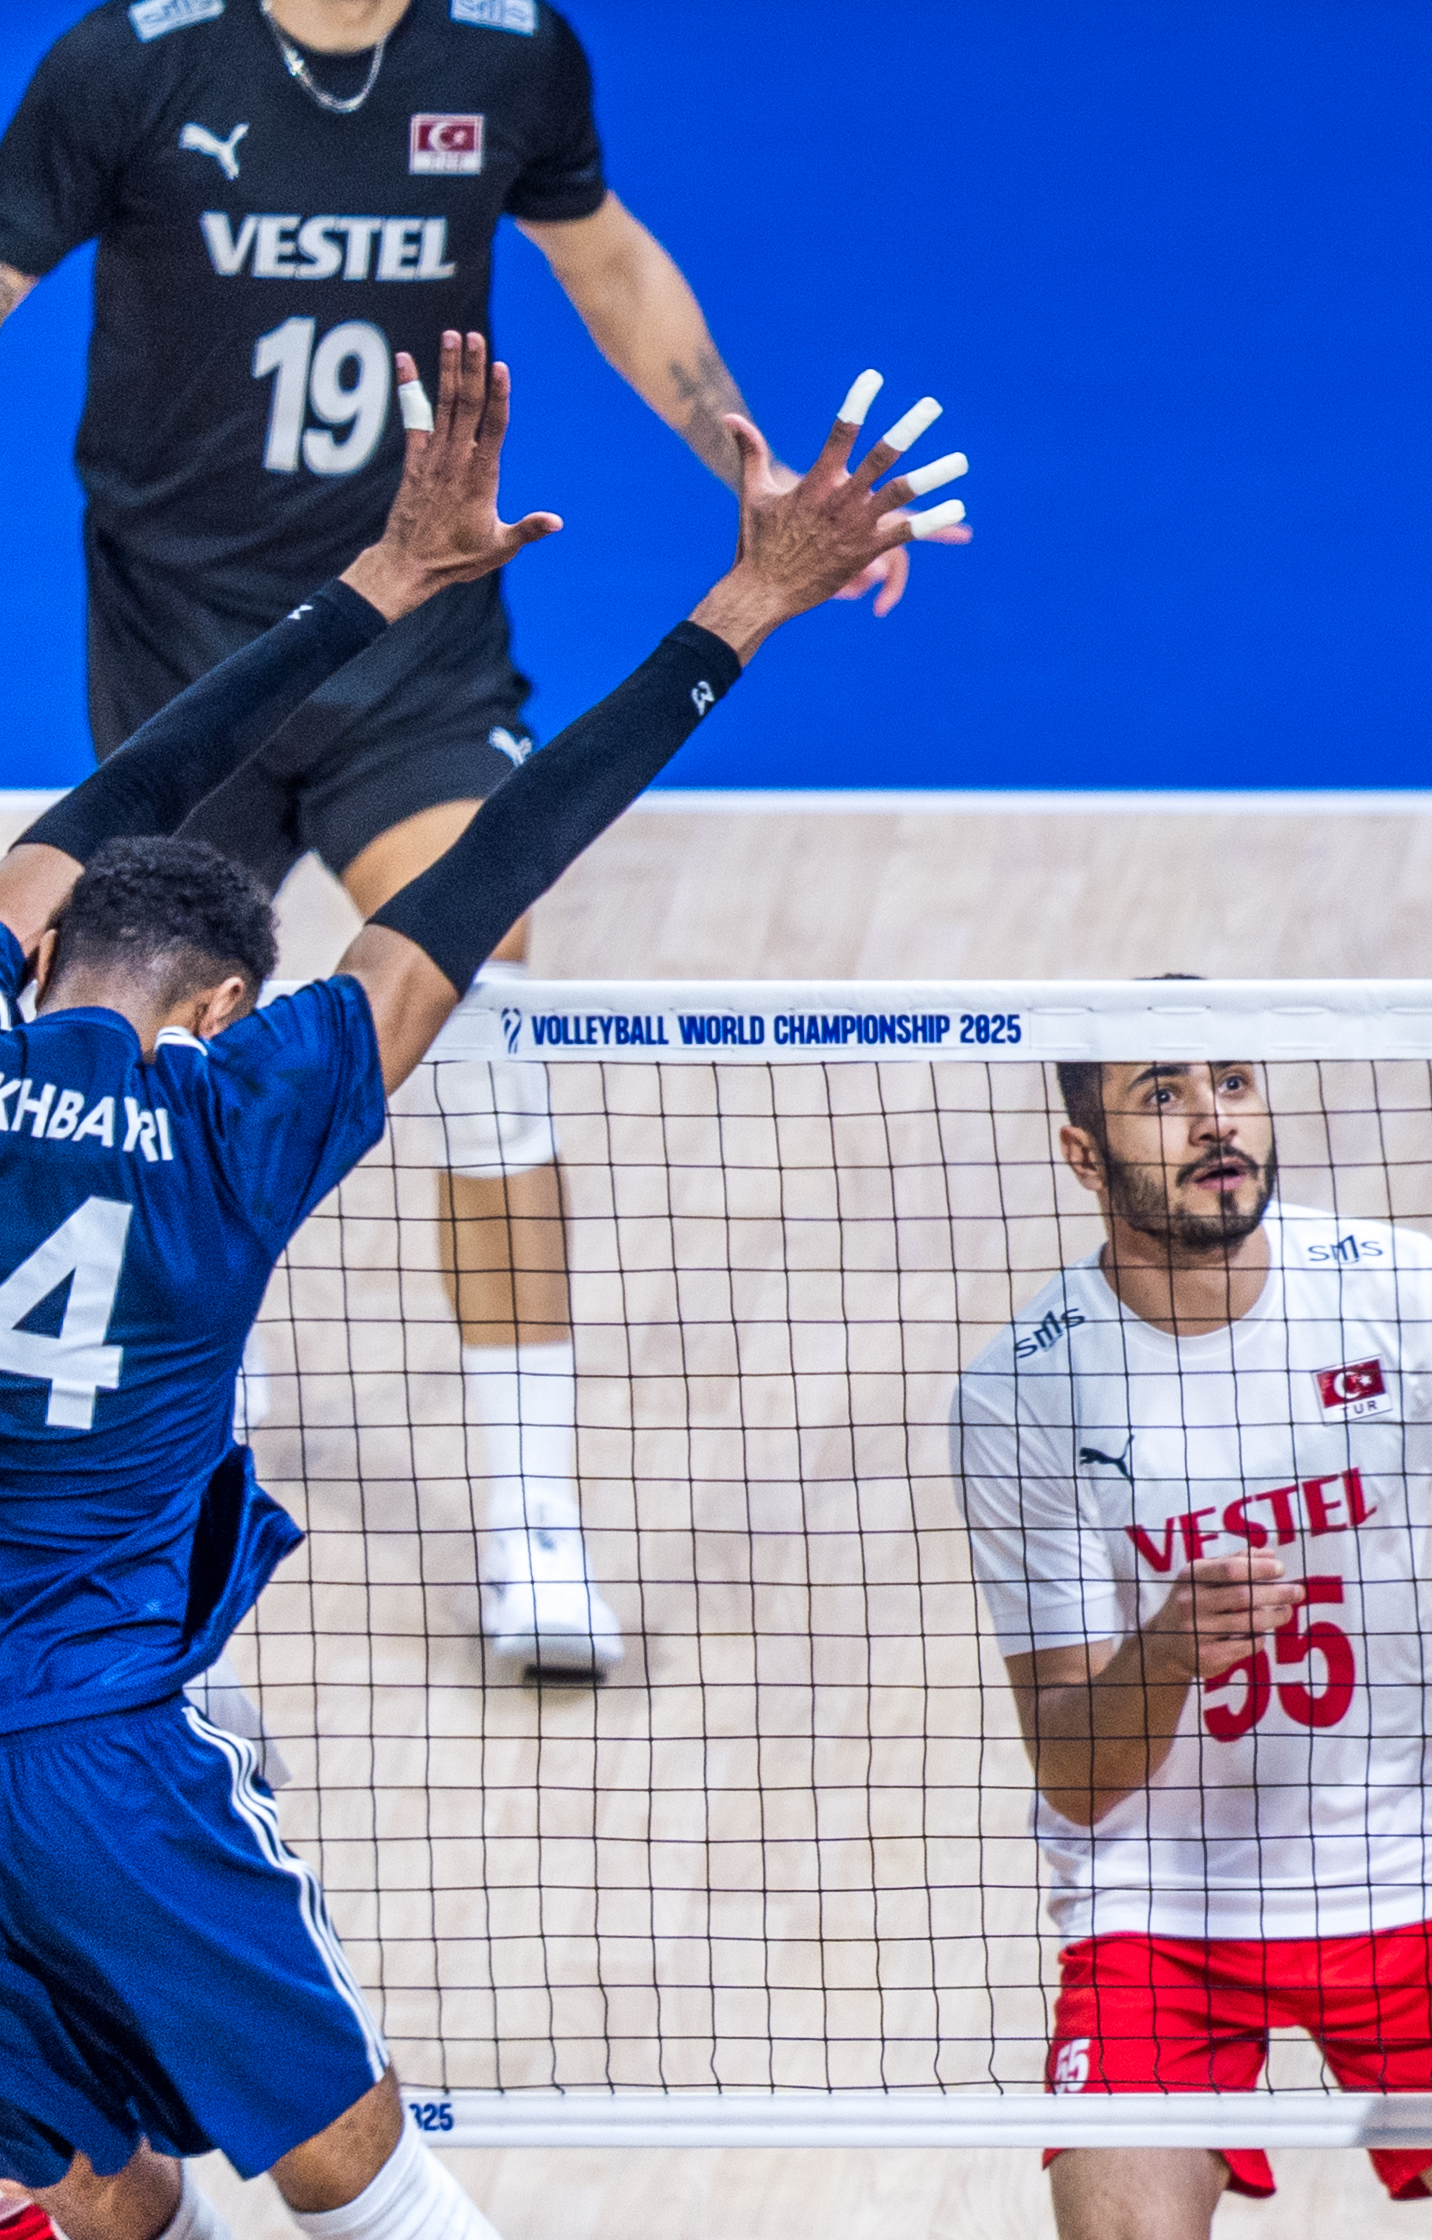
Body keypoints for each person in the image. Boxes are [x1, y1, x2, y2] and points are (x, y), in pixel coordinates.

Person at [0, 0, 952, 1678]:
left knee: (482, 1005)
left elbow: (601, 257)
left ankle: (533, 1513)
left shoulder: (509, 52)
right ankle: (184, 1418)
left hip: (420, 648)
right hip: (185, 659)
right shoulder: (127, 71)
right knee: (147, 1068)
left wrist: (738, 453)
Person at [0, 332, 939, 2240]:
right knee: (359, 2168)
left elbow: (116, 793)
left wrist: (365, 584)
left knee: (102, 2181)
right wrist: (746, 604)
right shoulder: (240, 1117)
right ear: (224, 1008)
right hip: (96, 1740)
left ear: (42, 950)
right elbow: (495, 858)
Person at [951, 1042, 1432, 2240]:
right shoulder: (1021, 1392)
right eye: (1163, 1096)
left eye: (1233, 1083)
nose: (1213, 1121)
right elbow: (1074, 1773)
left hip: (1410, 1878)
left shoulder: (1398, 1290)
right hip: (1159, 1906)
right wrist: (1166, 1653)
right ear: (1083, 1154)